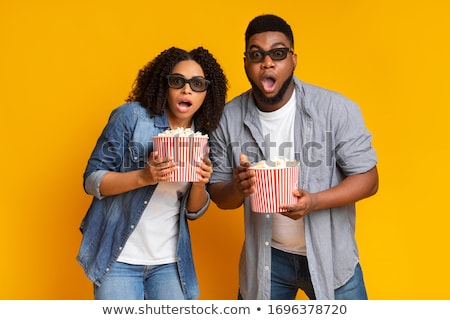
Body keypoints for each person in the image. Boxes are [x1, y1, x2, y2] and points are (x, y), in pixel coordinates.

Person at [208, 14, 378, 300]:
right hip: (267, 260)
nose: (267, 62)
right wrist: (236, 189)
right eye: (256, 54)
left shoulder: (335, 109)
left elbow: (369, 179)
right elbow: (218, 193)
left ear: (293, 59)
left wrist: (314, 202)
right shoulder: (229, 117)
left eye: (278, 53)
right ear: (246, 63)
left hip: (331, 259)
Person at [77, 47, 228, 300]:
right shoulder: (132, 117)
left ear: (207, 91)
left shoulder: (204, 135)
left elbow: (194, 212)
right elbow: (91, 180)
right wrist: (144, 177)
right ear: (164, 85)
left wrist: (200, 184)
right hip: (118, 259)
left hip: (170, 262)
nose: (187, 89)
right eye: (178, 81)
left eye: (197, 84)